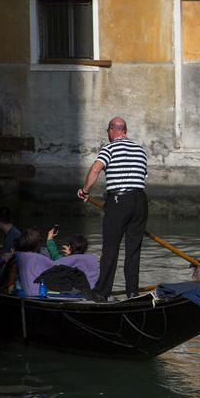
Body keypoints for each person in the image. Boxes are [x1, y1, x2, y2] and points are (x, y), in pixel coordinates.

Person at [77, 116, 148, 302]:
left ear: (112, 130)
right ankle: (132, 292)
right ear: (125, 130)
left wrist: (85, 190)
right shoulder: (140, 150)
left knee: (110, 248)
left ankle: (101, 292)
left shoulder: (109, 148)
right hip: (140, 201)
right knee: (133, 249)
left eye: (107, 131)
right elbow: (141, 176)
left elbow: (95, 169)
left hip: (118, 201)